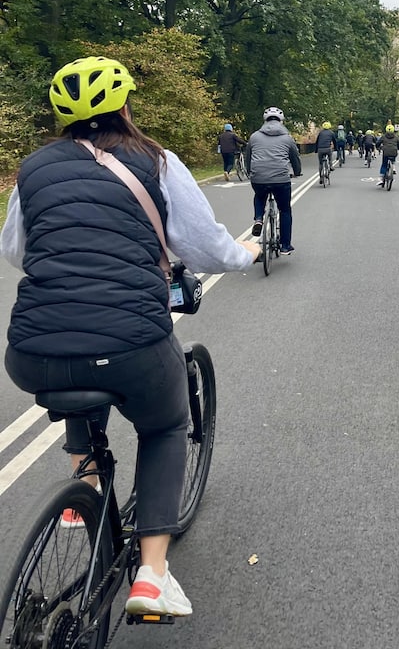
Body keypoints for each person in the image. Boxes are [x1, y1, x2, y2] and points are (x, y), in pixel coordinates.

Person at [0, 55, 262, 618]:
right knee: (165, 425)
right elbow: (205, 247)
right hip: (133, 344)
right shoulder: (155, 161)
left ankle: (85, 486)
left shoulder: (34, 168)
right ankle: (152, 575)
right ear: (124, 106)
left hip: (32, 351)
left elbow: (16, 250)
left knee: (79, 359)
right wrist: (245, 253)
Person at [246, 106, 302, 254]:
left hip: (258, 177)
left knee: (259, 196)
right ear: (281, 121)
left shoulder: (254, 137)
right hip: (281, 179)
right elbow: (295, 158)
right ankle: (285, 246)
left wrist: (249, 172)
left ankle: (259, 219)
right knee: (285, 209)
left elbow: (248, 157)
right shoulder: (287, 138)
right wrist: (297, 172)